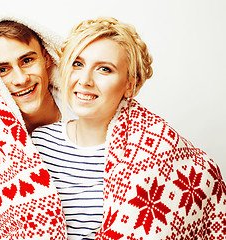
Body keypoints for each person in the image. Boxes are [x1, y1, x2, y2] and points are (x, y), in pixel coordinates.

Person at [31, 17, 226, 239]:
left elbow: (204, 182)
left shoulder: (154, 153)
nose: (85, 80)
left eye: (104, 69)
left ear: (129, 85)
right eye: (78, 64)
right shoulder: (37, 144)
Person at [0, 14, 70, 239]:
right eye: (2, 70)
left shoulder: (90, 111)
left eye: (27, 60)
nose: (20, 79)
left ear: (46, 59)